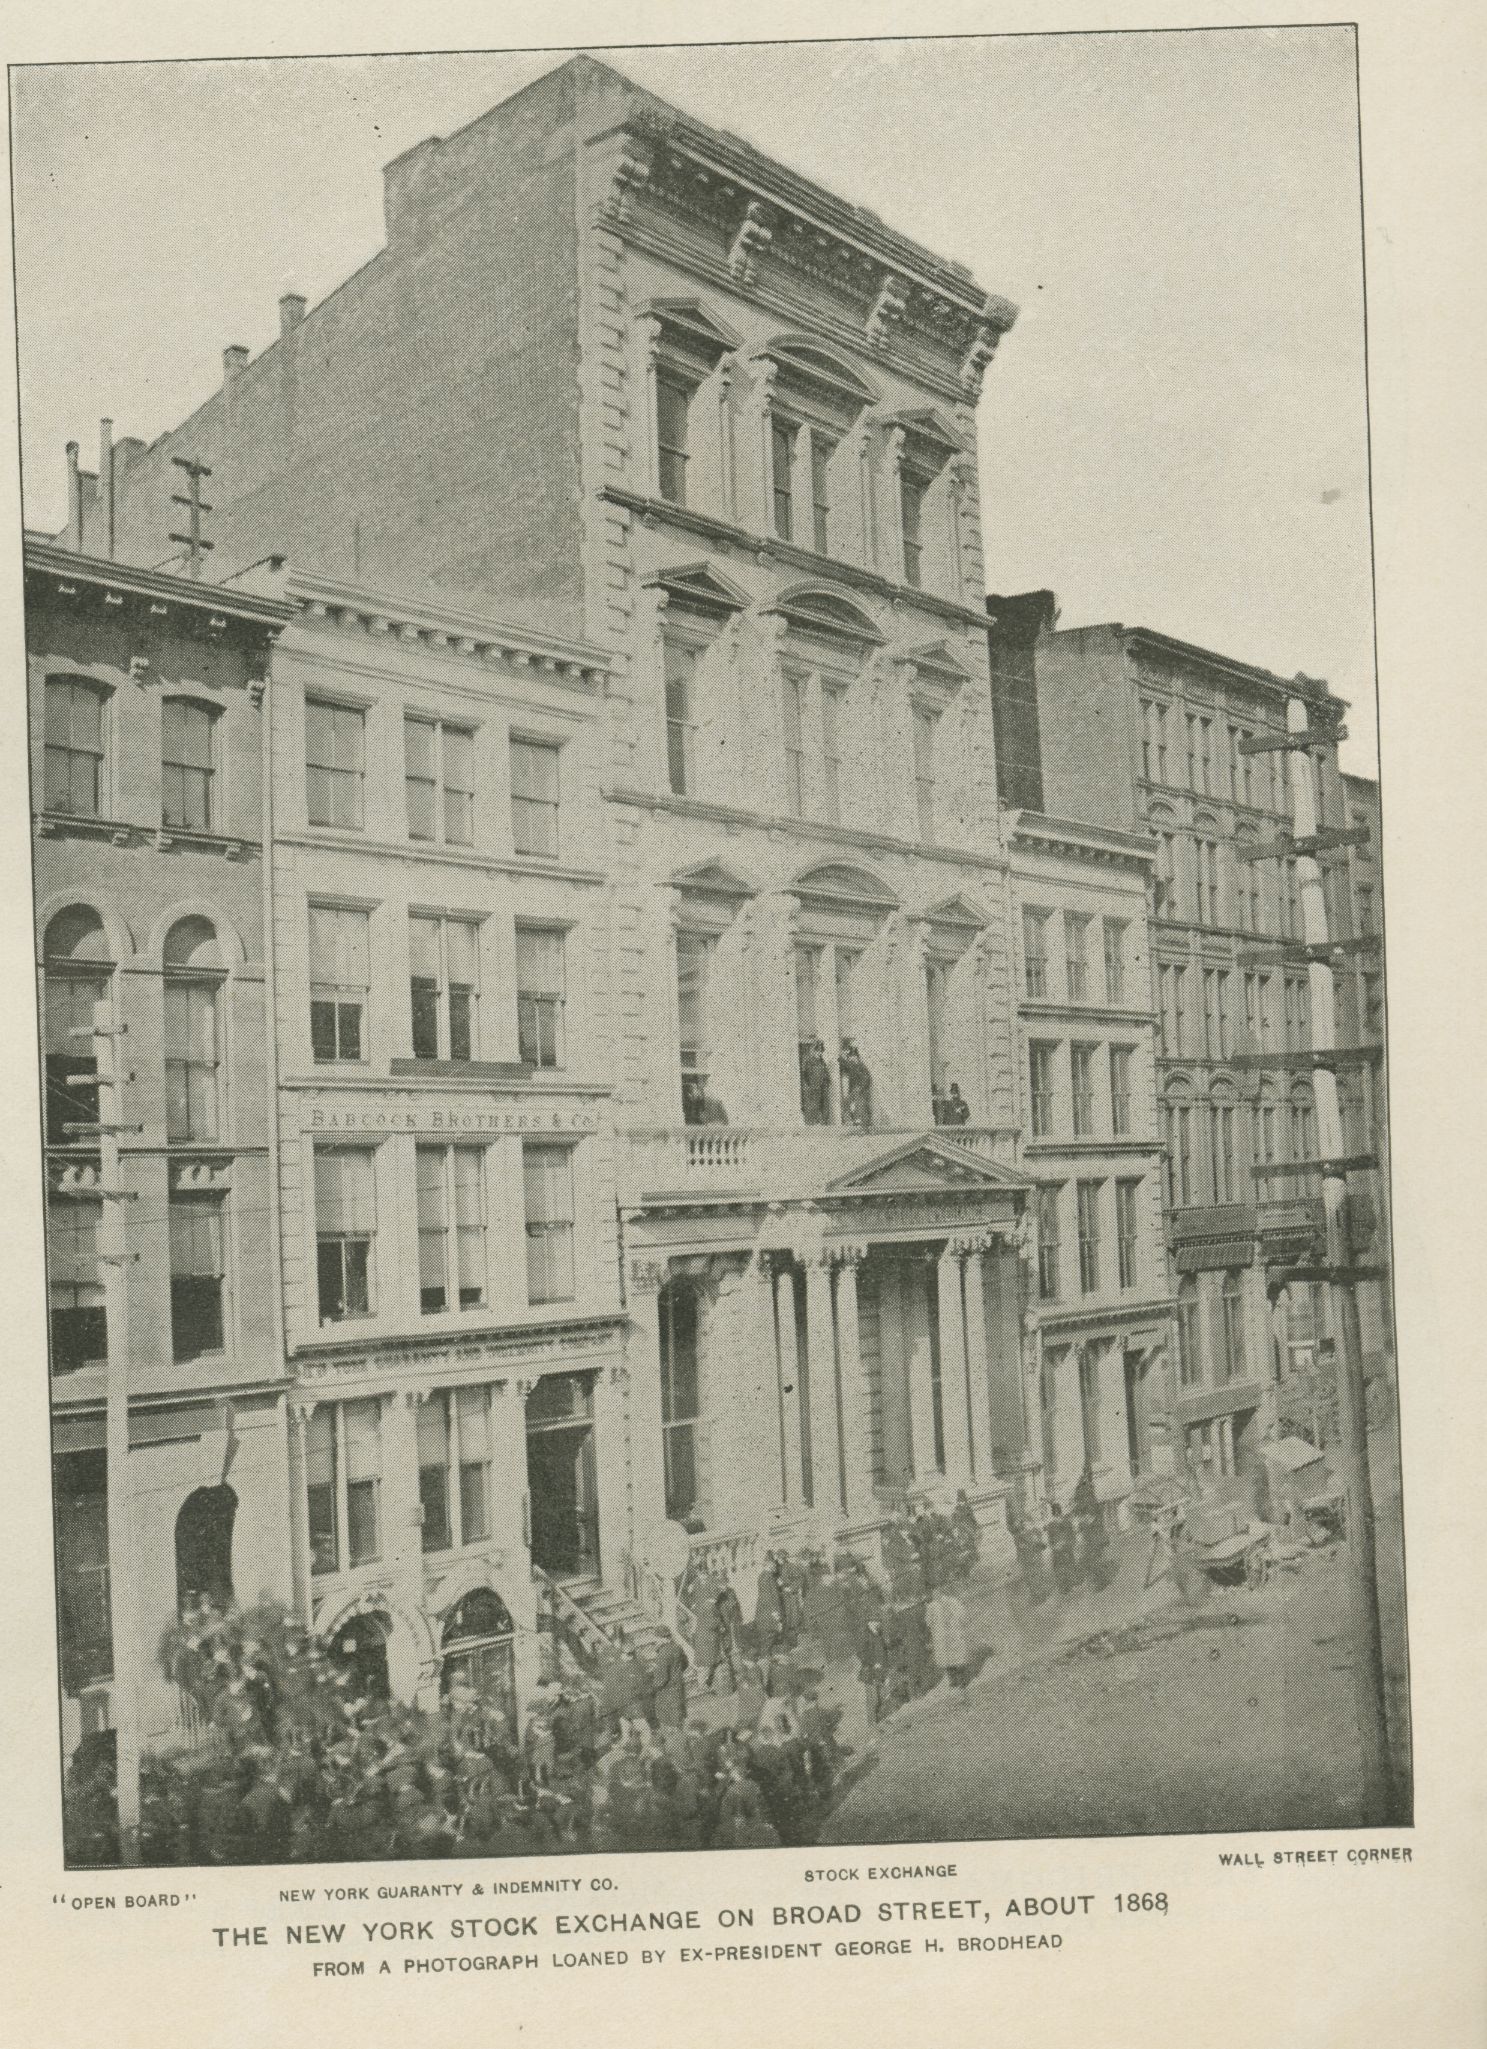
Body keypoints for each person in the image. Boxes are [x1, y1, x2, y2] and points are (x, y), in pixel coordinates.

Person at [926, 1586, 972, 1691]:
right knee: (948, 1658)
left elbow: (962, 1614)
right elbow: (928, 1623)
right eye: (933, 1593)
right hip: (942, 1636)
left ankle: (961, 1680)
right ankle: (953, 1680)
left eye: (936, 1593)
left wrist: (960, 1624)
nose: (935, 1595)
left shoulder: (951, 1601)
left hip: (951, 1633)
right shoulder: (932, 1607)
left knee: (956, 1656)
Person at [1047, 1503, 1081, 1596]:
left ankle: (1071, 1586)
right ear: (1053, 1514)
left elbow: (1073, 1537)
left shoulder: (1067, 1523)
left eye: (1059, 1514)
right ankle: (1064, 1589)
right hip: (1058, 1552)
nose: (1057, 1517)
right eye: (1055, 1515)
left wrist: (1067, 1544)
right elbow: (1050, 1541)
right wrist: (1055, 1547)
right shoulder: (1051, 1526)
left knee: (1069, 1567)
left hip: (1067, 1550)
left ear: (1061, 1513)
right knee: (1060, 1570)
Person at [839, 1039, 873, 1128]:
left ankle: (862, 1124)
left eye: (853, 1057)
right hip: (855, 1090)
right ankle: (853, 1121)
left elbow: (867, 1078)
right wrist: (842, 1055)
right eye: (850, 1057)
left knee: (861, 1107)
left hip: (860, 1090)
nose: (851, 1059)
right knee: (848, 1104)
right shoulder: (853, 1065)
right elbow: (843, 1063)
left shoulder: (860, 1066)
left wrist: (860, 1088)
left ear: (857, 1057)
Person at [799, 1037, 833, 1125]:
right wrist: (808, 1086)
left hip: (822, 1087)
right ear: (814, 1051)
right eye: (818, 1051)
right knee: (813, 1106)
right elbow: (804, 1074)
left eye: (821, 1051)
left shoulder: (822, 1061)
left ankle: (823, 1122)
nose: (819, 1053)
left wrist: (827, 1081)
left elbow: (825, 1072)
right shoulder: (808, 1061)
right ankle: (812, 1123)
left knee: (824, 1106)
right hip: (813, 1088)